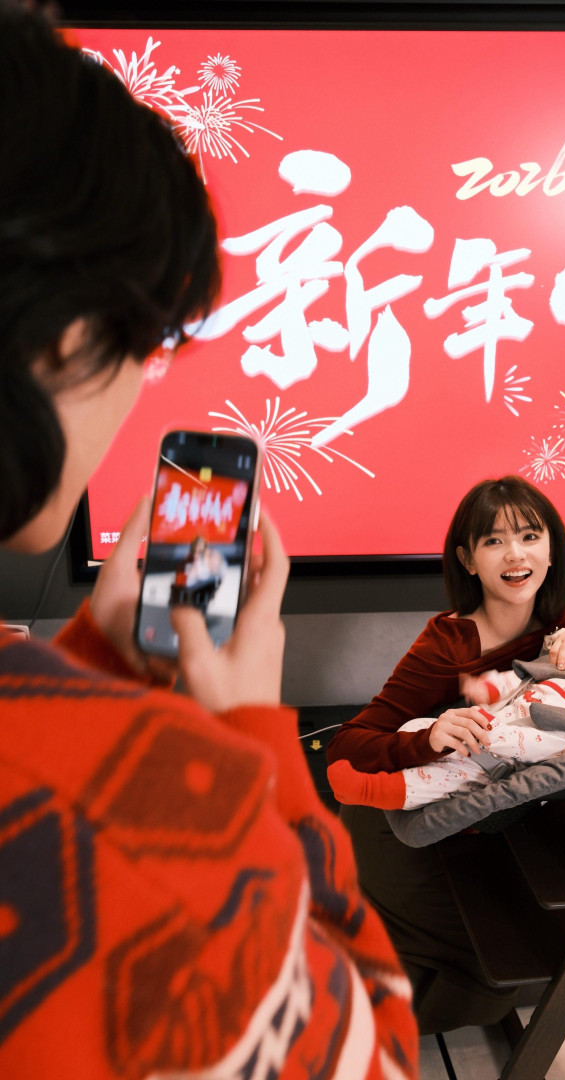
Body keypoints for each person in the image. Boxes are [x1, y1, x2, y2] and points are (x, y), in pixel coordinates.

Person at [0, 6, 417, 1078]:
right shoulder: (141, 825)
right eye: (146, 340)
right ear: (69, 338)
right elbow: (375, 1050)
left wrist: (91, 676)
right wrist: (246, 739)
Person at [326, 475, 565, 1033]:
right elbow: (348, 745)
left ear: (551, 550)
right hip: (412, 821)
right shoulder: (446, 645)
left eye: (530, 537)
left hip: (501, 812)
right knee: (494, 945)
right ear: (468, 560)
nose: (516, 555)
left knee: (547, 916)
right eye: (494, 541)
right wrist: (427, 738)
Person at [328, 638, 565, 810]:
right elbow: (521, 683)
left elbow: (528, 746)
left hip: (489, 764)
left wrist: (488, 730)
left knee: (435, 780)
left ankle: (368, 791)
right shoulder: (564, 683)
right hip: (474, 731)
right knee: (417, 727)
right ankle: (390, 764)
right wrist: (490, 688)